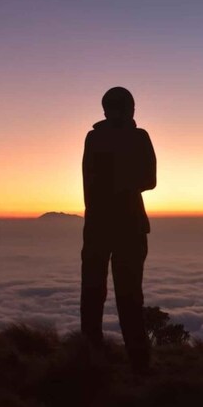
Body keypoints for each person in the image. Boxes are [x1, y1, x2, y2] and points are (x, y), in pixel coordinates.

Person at [81, 86, 156, 372]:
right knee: (129, 296)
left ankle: (89, 358)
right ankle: (138, 363)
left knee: (92, 293)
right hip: (129, 225)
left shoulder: (93, 138)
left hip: (97, 224)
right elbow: (149, 180)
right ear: (131, 109)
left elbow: (91, 182)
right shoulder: (138, 137)